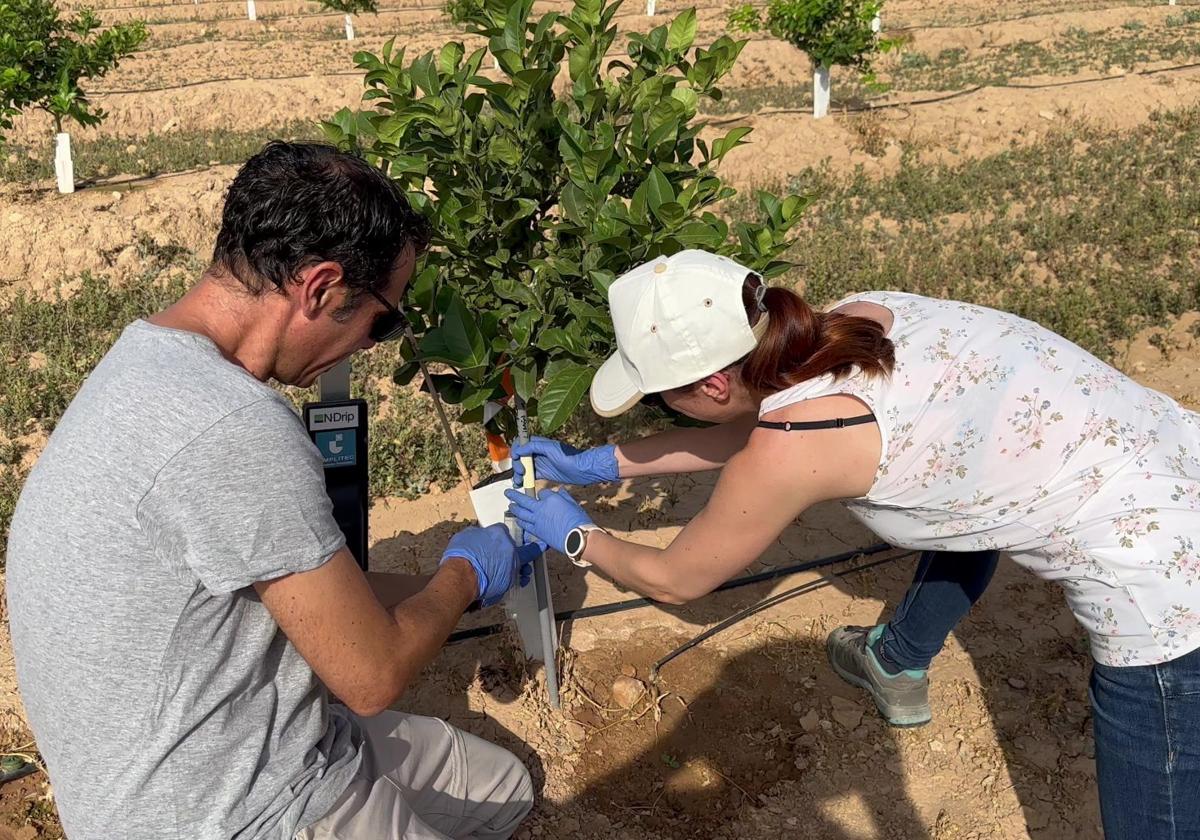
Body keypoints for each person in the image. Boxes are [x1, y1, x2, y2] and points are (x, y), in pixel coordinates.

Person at [504, 248, 1200, 839]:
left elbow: (676, 578)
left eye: (659, 397)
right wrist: (601, 464)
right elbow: (752, 425)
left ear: (713, 382)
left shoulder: (798, 443)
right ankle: (897, 661)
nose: (663, 409)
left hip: (1164, 584)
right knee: (959, 507)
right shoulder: (854, 323)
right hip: (1174, 455)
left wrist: (574, 534)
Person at [6, 142, 537, 840]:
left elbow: (291, 586)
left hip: (196, 757)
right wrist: (464, 576)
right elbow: (372, 675)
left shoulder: (148, 358)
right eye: (385, 319)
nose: (377, 344)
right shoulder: (236, 428)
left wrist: (427, 586)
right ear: (319, 288)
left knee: (506, 787)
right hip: (229, 812)